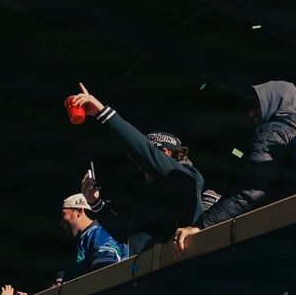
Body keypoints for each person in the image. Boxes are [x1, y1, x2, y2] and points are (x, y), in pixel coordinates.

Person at [171, 80, 296, 255]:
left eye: (257, 103)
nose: (251, 112)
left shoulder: (275, 129)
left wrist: (203, 226)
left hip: (283, 237)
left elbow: (251, 188)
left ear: (276, 101)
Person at [67, 83, 204, 255]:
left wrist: (104, 114)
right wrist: (96, 204)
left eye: (143, 161)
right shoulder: (155, 193)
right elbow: (129, 235)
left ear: (164, 153)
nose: (140, 167)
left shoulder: (186, 177)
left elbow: (143, 152)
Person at [59, 193, 126, 282]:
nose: (60, 222)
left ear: (79, 211)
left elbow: (106, 272)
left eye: (63, 214)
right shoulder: (86, 238)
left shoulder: (99, 232)